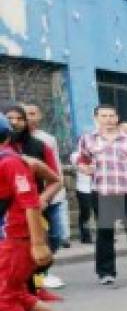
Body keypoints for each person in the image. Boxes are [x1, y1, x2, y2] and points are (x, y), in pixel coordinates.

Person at [0, 114, 92, 311]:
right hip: (10, 237)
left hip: (16, 238)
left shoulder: (11, 162)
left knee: (6, 297)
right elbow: (53, 180)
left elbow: (32, 199)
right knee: (16, 293)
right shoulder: (13, 160)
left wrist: (39, 243)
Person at [74, 104, 127, 285]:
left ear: (117, 118)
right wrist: (83, 167)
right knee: (105, 233)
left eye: (112, 116)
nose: (108, 119)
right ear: (96, 118)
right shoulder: (88, 139)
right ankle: (106, 273)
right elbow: (81, 157)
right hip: (103, 192)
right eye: (104, 116)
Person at [21, 103, 70, 255]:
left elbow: (55, 167)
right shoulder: (14, 140)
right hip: (30, 197)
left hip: (51, 194)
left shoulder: (47, 140)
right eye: (26, 114)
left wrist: (57, 189)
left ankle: (44, 264)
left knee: (57, 235)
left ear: (40, 116)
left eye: (33, 113)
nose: (29, 117)